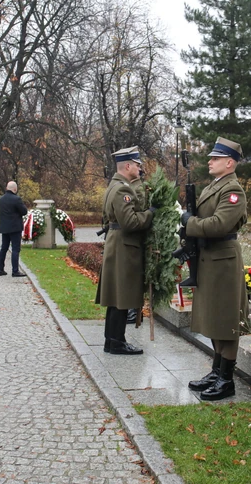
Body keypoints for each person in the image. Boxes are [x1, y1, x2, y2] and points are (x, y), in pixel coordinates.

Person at [180, 136, 250, 401]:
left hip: (223, 261)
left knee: (226, 320)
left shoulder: (233, 191)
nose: (210, 161)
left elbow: (219, 224)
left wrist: (190, 223)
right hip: (210, 258)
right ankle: (216, 371)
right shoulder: (215, 185)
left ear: (229, 162)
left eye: (216, 158)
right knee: (213, 316)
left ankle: (226, 379)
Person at [95, 146, 155, 355]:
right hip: (123, 246)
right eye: (137, 165)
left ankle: (112, 341)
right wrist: (150, 213)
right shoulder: (123, 189)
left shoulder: (115, 185)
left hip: (117, 243)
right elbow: (130, 222)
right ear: (128, 166)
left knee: (116, 298)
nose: (140, 168)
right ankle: (117, 343)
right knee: (121, 297)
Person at [126, 170, 148, 325]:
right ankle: (132, 310)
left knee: (133, 275)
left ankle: (134, 312)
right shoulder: (130, 186)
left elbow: (139, 210)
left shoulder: (138, 188)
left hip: (136, 235)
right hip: (131, 235)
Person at [0, 181, 28, 277]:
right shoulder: (16, 199)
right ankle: (15, 271)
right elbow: (24, 211)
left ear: (7, 188)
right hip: (15, 227)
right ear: (15, 189)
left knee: (4, 248)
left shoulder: (1, 199)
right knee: (15, 249)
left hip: (4, 227)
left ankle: (1, 269)